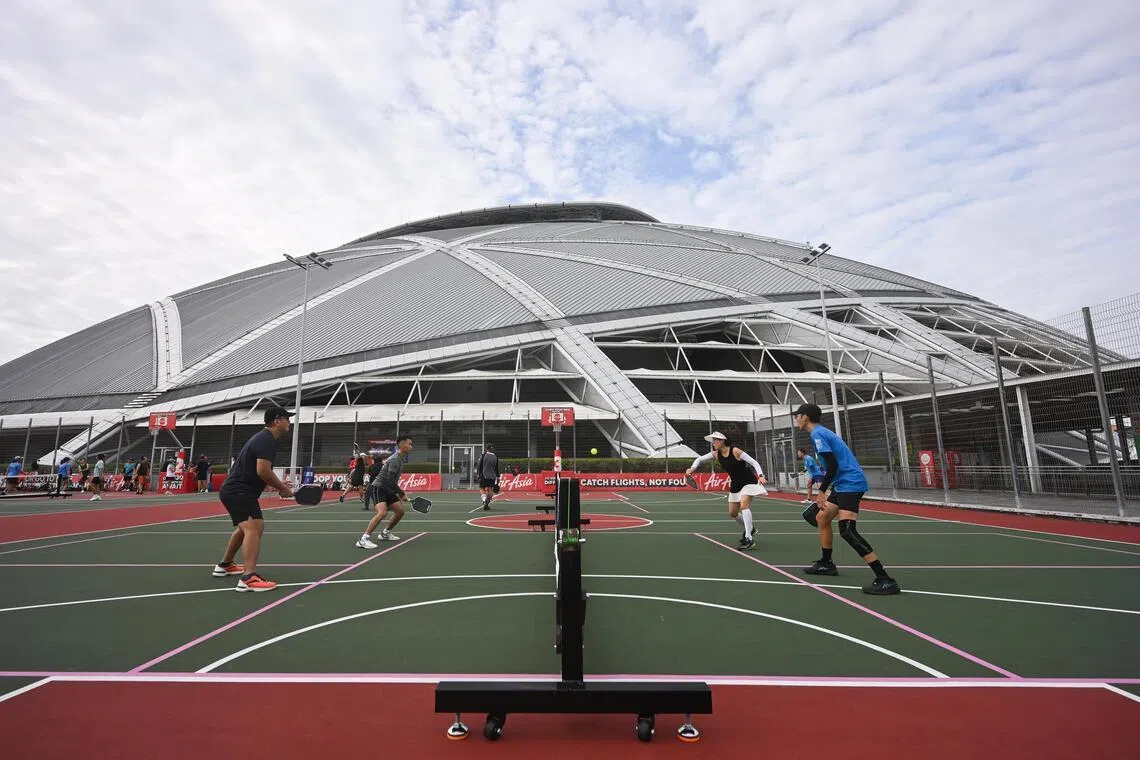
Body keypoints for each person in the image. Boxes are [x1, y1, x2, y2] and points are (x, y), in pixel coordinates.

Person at [792, 403, 900, 595]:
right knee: (822, 518)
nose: (796, 419)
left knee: (847, 530)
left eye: (797, 415)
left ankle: (885, 579)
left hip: (851, 483)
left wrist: (822, 490)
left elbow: (832, 464)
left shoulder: (818, 434)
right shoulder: (820, 433)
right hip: (842, 484)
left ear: (805, 417)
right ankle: (826, 563)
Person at [213, 406, 295, 592]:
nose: (289, 422)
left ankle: (225, 565)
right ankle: (249, 578)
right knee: (254, 527)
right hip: (239, 491)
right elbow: (263, 471)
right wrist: (281, 488)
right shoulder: (267, 440)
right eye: (287, 419)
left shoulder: (264, 438)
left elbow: (260, 472)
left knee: (246, 527)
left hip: (236, 491)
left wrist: (281, 485)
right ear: (277, 421)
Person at [685, 432, 767, 551]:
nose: (713, 443)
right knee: (733, 513)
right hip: (735, 484)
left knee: (744, 506)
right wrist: (692, 468)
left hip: (748, 481)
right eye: (712, 440)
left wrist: (760, 475)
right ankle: (751, 529)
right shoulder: (716, 454)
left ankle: (749, 538)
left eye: (715, 440)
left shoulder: (735, 451)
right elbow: (699, 459)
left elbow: (754, 462)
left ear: (722, 441)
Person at [356, 436, 413, 549]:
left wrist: (397, 493)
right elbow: (389, 480)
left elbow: (391, 481)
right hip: (379, 487)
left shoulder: (400, 458)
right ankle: (364, 539)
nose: (411, 447)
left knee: (400, 511)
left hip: (388, 489)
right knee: (382, 513)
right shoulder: (395, 459)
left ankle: (385, 533)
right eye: (409, 444)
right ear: (401, 444)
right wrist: (401, 494)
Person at [476, 443, 500, 510]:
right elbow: (496, 468)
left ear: (486, 448)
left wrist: (478, 474)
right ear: (492, 449)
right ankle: (488, 502)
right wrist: (498, 476)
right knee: (490, 490)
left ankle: (484, 501)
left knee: (482, 488)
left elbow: (479, 466)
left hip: (484, 475)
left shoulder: (483, 456)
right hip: (492, 476)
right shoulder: (495, 457)